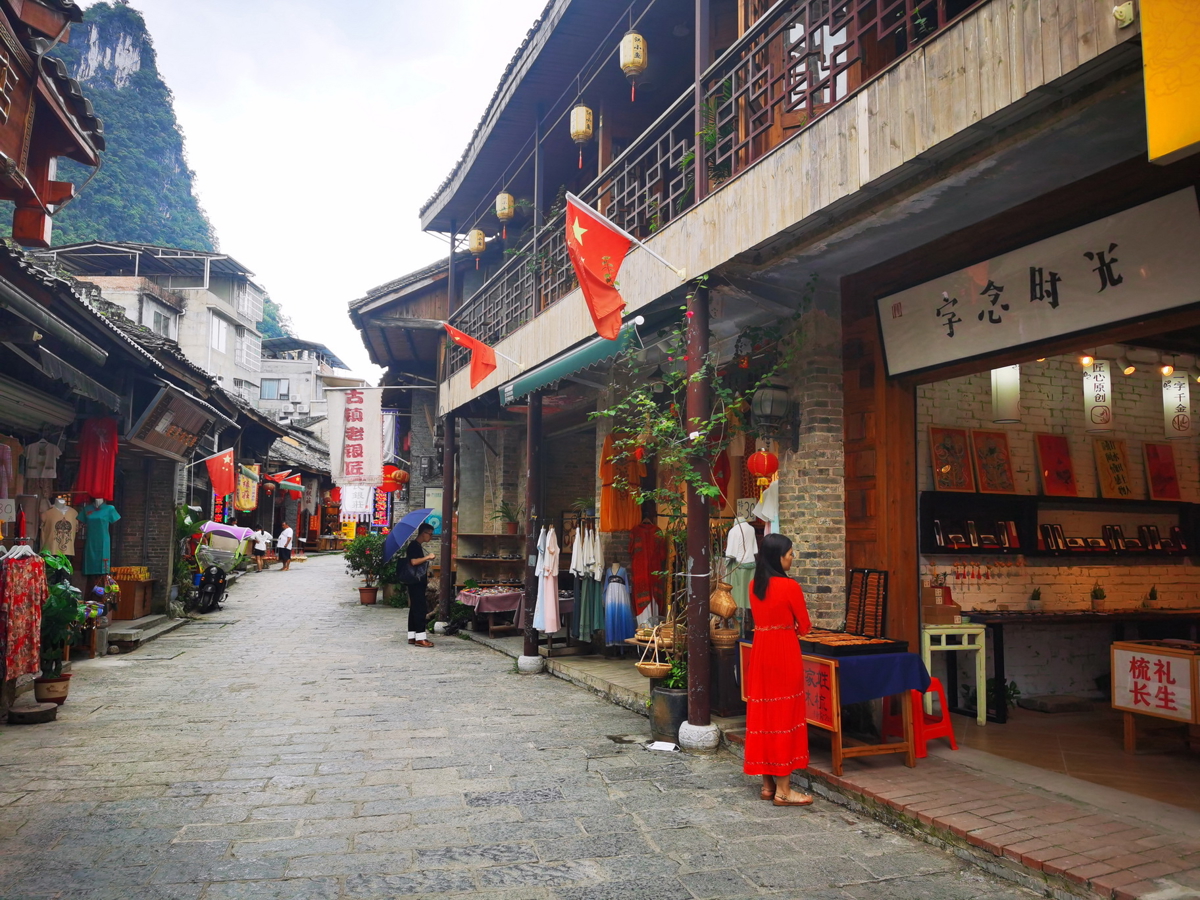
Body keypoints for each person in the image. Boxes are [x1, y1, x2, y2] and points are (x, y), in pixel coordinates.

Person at [743, 532, 814, 807]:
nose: (792, 558)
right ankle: (785, 790)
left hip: (761, 650)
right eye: (790, 554)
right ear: (779, 556)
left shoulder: (753, 586)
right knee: (784, 714)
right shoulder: (790, 587)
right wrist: (793, 627)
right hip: (784, 651)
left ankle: (767, 785)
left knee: (765, 713)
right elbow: (805, 625)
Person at [406, 523, 437, 647]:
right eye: (430, 534)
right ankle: (420, 637)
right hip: (416, 582)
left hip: (416, 581)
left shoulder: (417, 546)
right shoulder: (414, 546)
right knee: (420, 608)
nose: (430, 537)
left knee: (414, 608)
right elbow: (413, 561)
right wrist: (428, 557)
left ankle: (412, 636)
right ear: (424, 533)